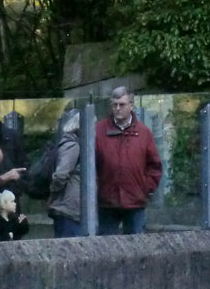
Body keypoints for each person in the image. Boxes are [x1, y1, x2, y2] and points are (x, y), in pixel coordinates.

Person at [95, 87, 162, 235]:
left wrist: (146, 187)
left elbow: (155, 165)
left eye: (122, 104)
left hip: (135, 201)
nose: (117, 108)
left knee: (137, 249)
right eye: (114, 105)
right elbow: (90, 163)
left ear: (131, 105)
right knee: (104, 249)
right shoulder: (99, 130)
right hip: (107, 202)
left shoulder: (144, 133)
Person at [48, 109, 82, 238]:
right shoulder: (72, 146)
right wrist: (54, 192)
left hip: (69, 205)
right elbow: (61, 174)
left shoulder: (72, 143)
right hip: (68, 206)